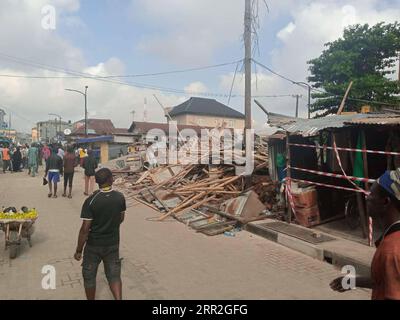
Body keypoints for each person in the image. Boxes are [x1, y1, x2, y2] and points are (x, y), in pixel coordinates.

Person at [331, 169, 400, 300]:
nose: (367, 198)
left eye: (371, 194)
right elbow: (385, 280)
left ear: (385, 202)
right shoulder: (393, 239)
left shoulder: (391, 250)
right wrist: (352, 282)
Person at [74, 168, 126, 300]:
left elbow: (85, 229)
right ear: (110, 180)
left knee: (89, 276)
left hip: (93, 246)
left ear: (96, 181)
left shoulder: (91, 201)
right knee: (114, 276)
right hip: (113, 243)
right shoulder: (120, 197)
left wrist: (79, 250)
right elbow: (121, 218)